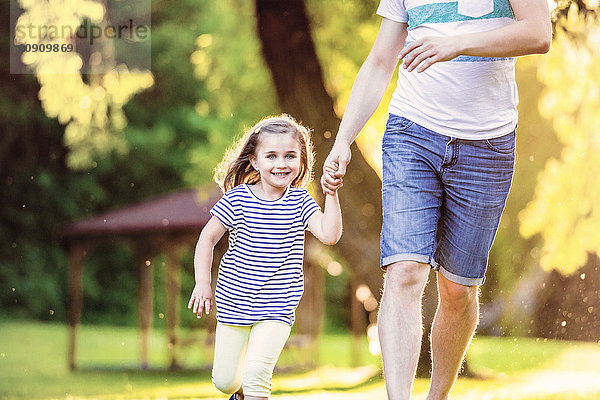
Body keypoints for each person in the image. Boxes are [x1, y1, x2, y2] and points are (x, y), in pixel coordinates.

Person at [321, 0, 551, 399]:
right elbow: (379, 62)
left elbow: (538, 33)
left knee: (458, 291)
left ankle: (438, 395)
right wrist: (344, 140)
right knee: (405, 271)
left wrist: (459, 43)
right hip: (413, 132)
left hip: (488, 145)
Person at [188, 114, 342, 400]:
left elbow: (329, 234)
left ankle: (252, 389)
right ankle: (240, 394)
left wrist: (331, 194)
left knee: (257, 373)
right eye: (271, 156)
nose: (281, 164)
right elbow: (206, 239)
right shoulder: (238, 199)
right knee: (225, 382)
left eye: (290, 156)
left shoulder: (300, 201)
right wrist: (202, 283)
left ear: (301, 161)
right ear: (255, 161)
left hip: (277, 306)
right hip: (234, 302)